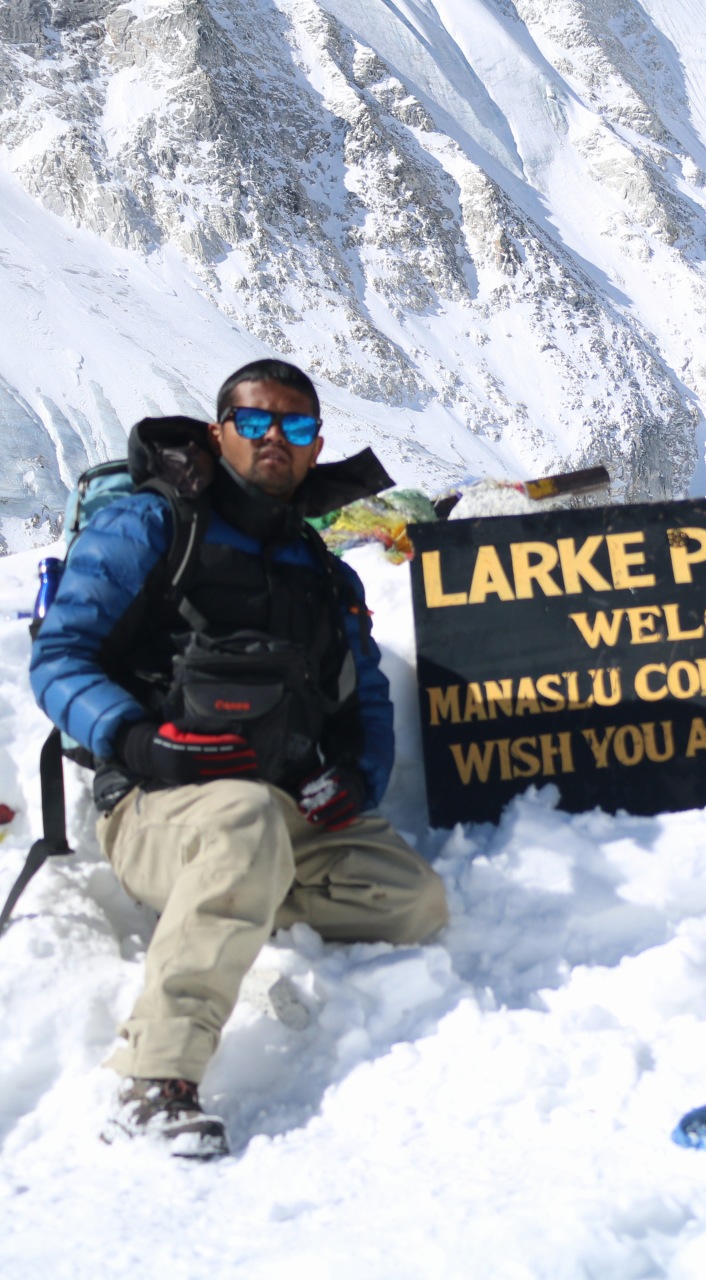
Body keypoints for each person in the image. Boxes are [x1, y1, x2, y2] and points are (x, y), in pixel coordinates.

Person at [30, 359, 448, 1159]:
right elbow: (59, 659)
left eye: (294, 428)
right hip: (158, 806)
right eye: (254, 423)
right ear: (219, 432)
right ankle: (155, 1082)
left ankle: (226, 900)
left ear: (317, 444)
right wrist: (137, 740)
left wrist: (356, 780)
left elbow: (364, 700)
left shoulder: (322, 571)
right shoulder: (152, 528)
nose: (273, 442)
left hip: (283, 809)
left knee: (412, 899)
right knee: (243, 819)